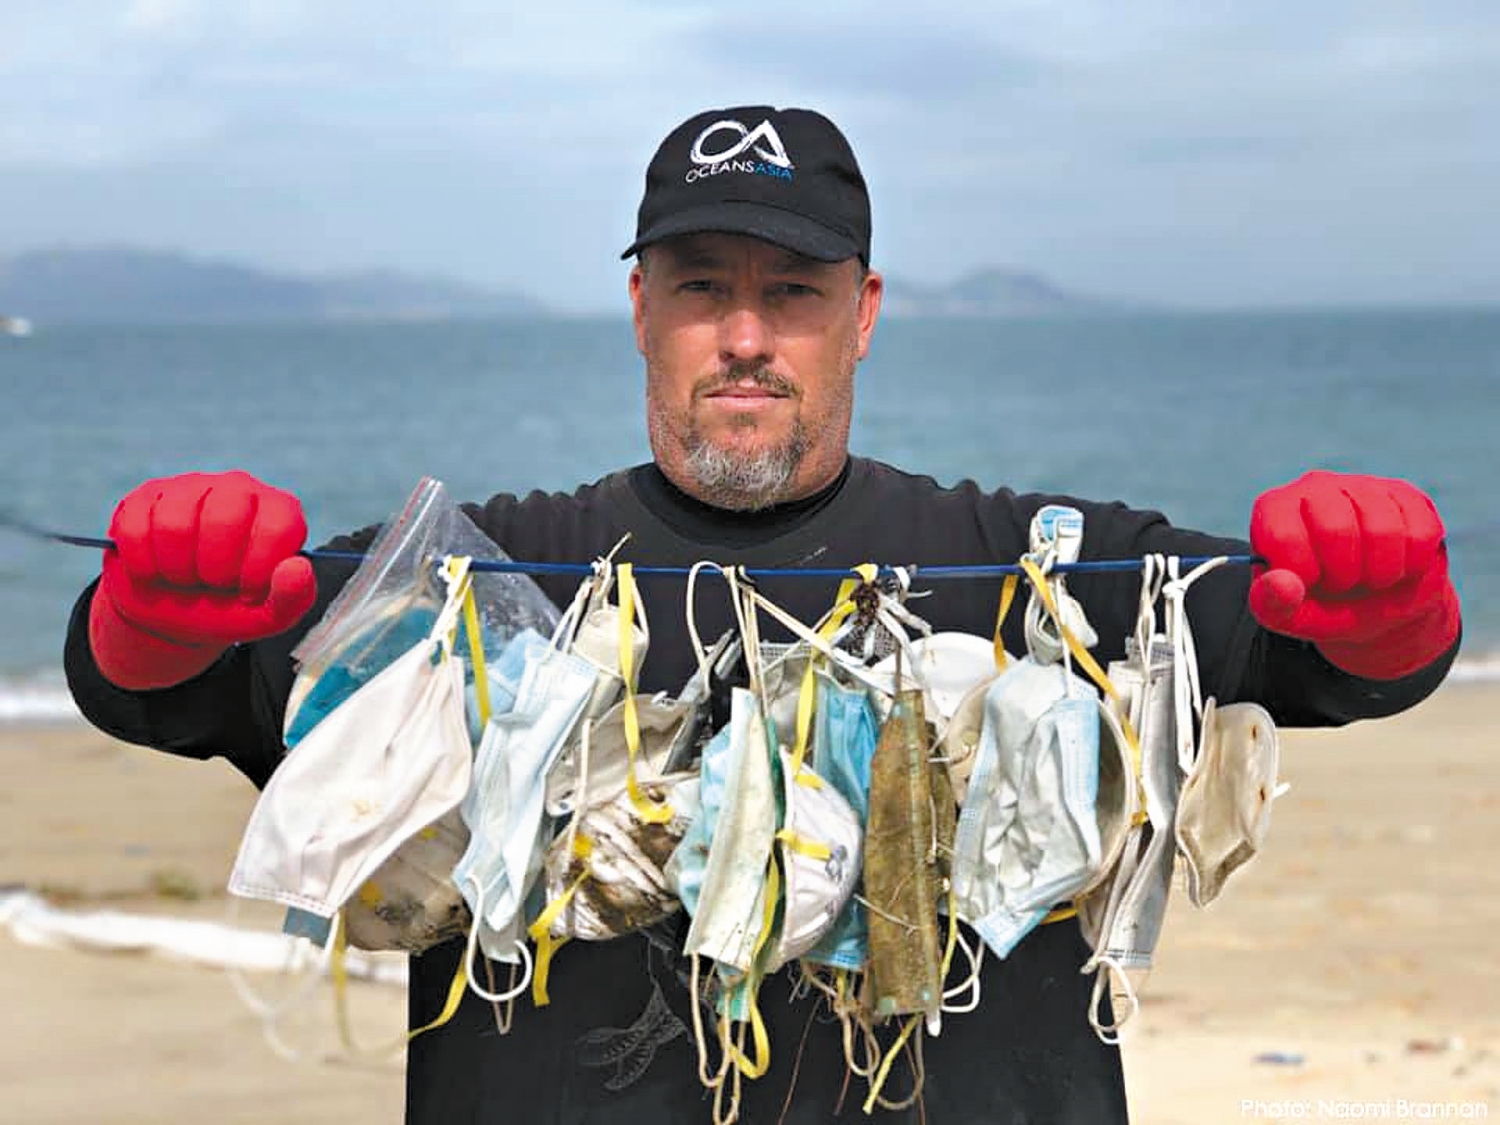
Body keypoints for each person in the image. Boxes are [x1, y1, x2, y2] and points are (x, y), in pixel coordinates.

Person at [64, 105, 1462, 1124]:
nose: (744, 334)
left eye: (790, 292)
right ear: (638, 309)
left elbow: (1316, 658)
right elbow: (188, 687)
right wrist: (156, 608)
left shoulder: (1035, 571)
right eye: (701, 290)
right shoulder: (483, 587)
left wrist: (1386, 604)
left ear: (862, 314)